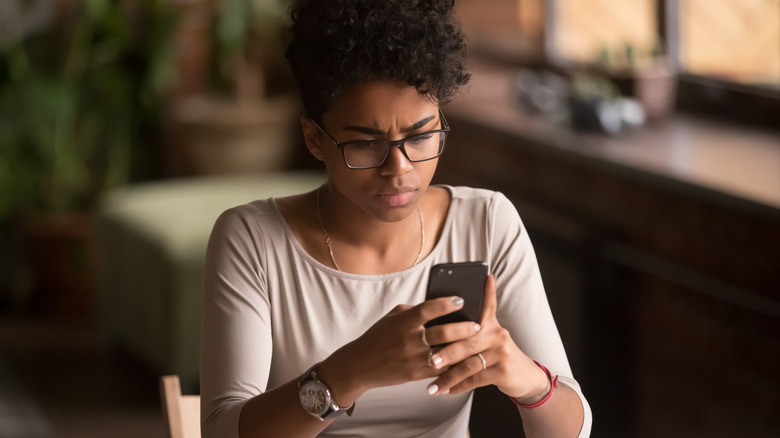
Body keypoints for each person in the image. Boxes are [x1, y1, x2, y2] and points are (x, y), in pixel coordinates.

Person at [200, 0, 592, 436]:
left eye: (421, 135)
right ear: (314, 138)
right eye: (366, 145)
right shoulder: (252, 239)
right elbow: (221, 431)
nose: (399, 169)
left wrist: (524, 378)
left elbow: (572, 428)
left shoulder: (485, 222)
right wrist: (349, 372)